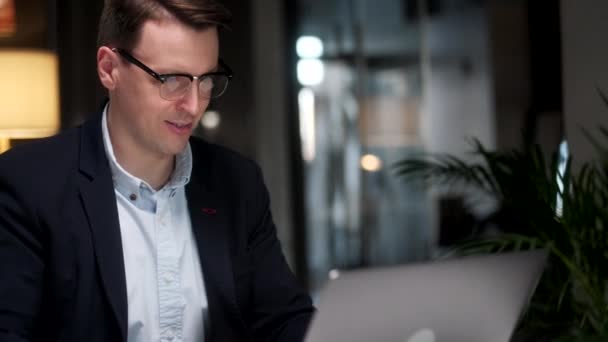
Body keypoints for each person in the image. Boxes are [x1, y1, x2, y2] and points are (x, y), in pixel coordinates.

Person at [0, 1, 315, 341]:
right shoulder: (28, 184)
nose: (194, 105)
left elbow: (284, 322)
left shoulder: (236, 183)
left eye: (206, 79)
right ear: (109, 68)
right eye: (172, 79)